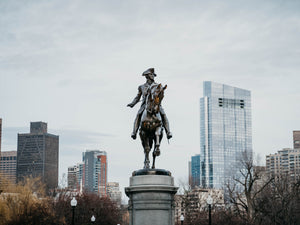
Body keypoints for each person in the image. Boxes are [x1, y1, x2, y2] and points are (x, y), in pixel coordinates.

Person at [127, 68, 172, 140]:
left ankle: (168, 132)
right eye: (151, 74)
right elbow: (137, 97)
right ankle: (134, 132)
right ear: (147, 76)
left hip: (156, 105)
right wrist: (132, 103)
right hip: (145, 105)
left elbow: (160, 95)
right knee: (138, 115)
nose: (153, 76)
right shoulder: (141, 87)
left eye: (153, 75)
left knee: (163, 114)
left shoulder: (158, 86)